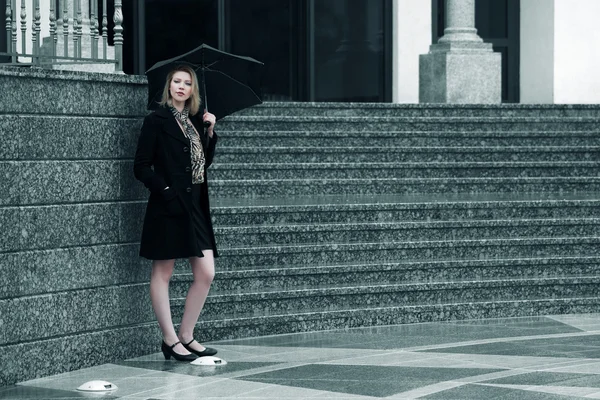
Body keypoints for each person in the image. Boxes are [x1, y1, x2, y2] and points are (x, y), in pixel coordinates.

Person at [134, 64, 219, 361]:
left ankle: (186, 335)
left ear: (193, 90)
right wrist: (166, 192)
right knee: (163, 272)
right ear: (169, 86)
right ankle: (170, 340)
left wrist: (210, 131)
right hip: (168, 206)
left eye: (187, 83)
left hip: (195, 205)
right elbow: (141, 167)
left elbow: (201, 166)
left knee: (206, 273)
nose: (181, 87)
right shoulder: (156, 120)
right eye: (176, 82)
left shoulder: (197, 121)